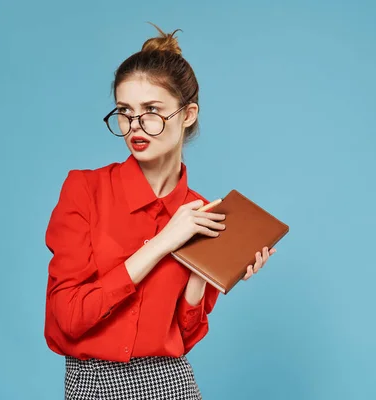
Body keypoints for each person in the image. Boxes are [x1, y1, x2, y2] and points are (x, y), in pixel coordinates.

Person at [43, 24, 275, 399]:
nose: (135, 126)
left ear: (187, 114)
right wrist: (164, 243)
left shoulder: (202, 213)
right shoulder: (85, 190)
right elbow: (67, 318)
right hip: (92, 385)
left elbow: (184, 337)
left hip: (169, 383)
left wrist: (208, 270)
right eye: (125, 112)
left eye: (152, 110)